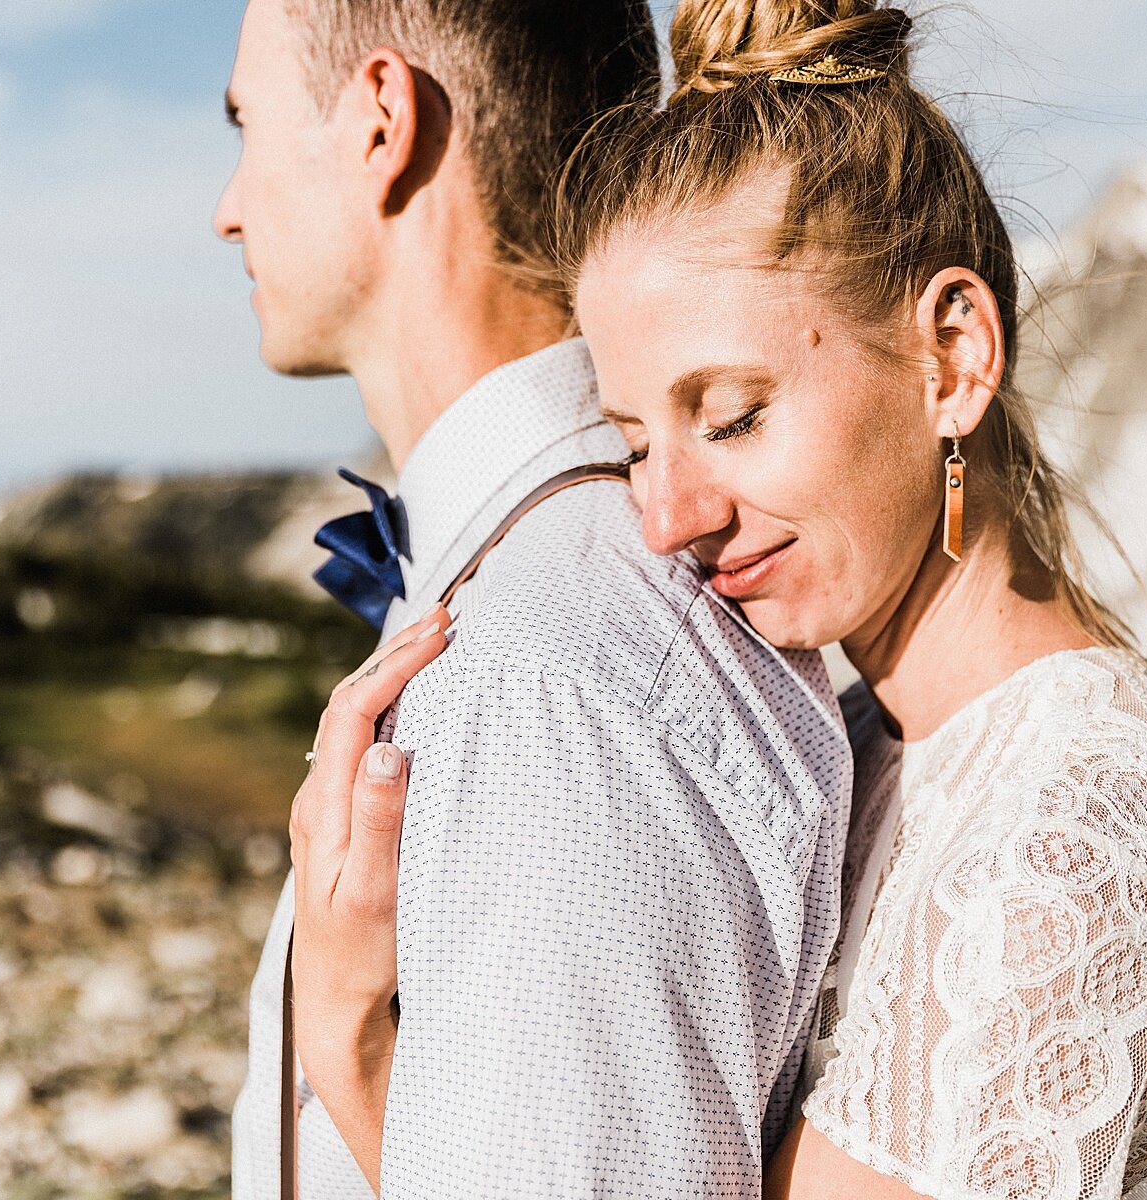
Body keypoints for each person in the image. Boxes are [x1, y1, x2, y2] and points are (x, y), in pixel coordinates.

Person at [290, 0, 1147, 1197]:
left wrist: (350, 1038)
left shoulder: (1076, 839)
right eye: (635, 444)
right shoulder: (878, 743)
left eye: (732, 417)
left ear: (954, 356)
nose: (668, 518)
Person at [213, 1, 858, 1197]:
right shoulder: (538, 608)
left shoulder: (537, 681)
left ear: (381, 122)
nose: (227, 207)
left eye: (246, 124)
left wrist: (347, 1037)